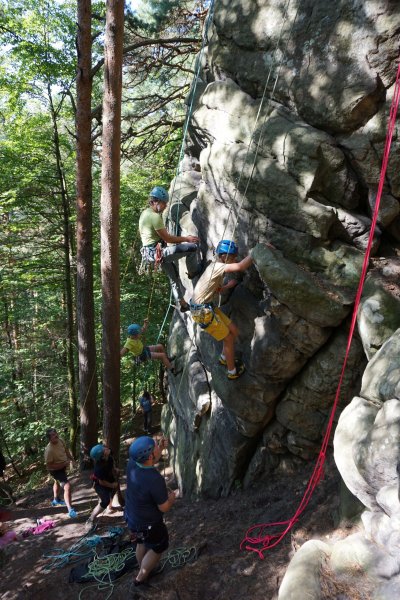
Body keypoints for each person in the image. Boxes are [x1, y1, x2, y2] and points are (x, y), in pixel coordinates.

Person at [190, 239, 254, 380]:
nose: (235, 259)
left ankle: (225, 358)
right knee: (229, 338)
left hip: (206, 307)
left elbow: (214, 288)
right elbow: (241, 267)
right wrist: (257, 251)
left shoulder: (214, 267)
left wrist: (227, 287)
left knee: (234, 330)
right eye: (233, 257)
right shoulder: (218, 266)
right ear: (224, 256)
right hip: (202, 311)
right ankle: (232, 372)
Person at [125, 436, 177, 587]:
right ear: (149, 455)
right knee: (158, 547)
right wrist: (172, 498)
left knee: (141, 543)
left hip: (132, 517)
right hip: (149, 524)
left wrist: (159, 448)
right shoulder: (154, 479)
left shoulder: (132, 463)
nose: (157, 445)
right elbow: (164, 507)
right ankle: (141, 578)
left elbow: (149, 461)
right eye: (155, 445)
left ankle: (143, 567)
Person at [139, 186, 200, 312]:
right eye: (164, 203)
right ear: (156, 202)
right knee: (192, 248)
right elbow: (168, 239)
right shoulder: (154, 217)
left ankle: (182, 304)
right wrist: (186, 238)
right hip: (158, 253)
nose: (166, 206)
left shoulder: (145, 213)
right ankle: (193, 272)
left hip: (152, 253)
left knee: (174, 278)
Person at [86, 444, 124, 530]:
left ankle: (110, 507)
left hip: (107, 478)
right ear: (103, 456)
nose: (106, 448)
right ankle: (90, 519)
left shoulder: (109, 457)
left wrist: (115, 469)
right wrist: (112, 485)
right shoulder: (99, 468)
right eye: (104, 449)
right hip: (99, 484)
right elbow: (102, 482)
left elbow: (111, 465)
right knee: (105, 500)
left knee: (113, 491)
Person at [44, 428, 77, 518]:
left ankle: (56, 500)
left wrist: (72, 459)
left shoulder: (61, 440)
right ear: (49, 438)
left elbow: (66, 451)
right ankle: (70, 509)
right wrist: (63, 464)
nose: (56, 435)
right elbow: (49, 466)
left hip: (62, 467)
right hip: (55, 470)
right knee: (67, 486)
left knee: (56, 482)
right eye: (53, 435)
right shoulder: (49, 450)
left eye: (56, 433)